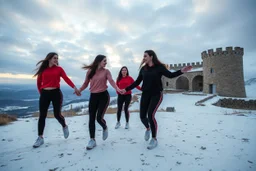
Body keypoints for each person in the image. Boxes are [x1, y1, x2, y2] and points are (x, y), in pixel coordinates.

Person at [120, 50, 192, 150]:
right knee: (142, 117)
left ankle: (154, 139)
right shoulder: (143, 69)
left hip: (156, 95)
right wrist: (126, 89)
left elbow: (170, 75)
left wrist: (181, 71)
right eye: (143, 56)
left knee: (150, 115)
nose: (143, 58)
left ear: (151, 56)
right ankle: (148, 128)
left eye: (145, 56)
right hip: (145, 94)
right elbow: (137, 82)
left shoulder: (159, 67)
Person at [33, 52, 80, 148]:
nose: (56, 60)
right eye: (54, 58)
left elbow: (66, 79)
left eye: (57, 58)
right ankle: (40, 138)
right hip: (44, 94)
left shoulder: (59, 69)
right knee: (42, 116)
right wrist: (42, 93)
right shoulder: (43, 69)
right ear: (49, 58)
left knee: (57, 114)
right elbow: (38, 83)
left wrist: (74, 87)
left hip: (56, 93)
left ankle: (64, 126)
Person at [77, 54, 122, 150]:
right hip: (93, 96)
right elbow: (85, 83)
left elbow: (111, 81)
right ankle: (92, 140)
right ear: (99, 61)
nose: (106, 63)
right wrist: (79, 90)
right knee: (91, 118)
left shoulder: (106, 71)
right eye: (104, 61)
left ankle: (104, 127)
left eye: (106, 61)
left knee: (98, 118)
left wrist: (117, 89)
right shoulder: (90, 71)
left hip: (103, 96)